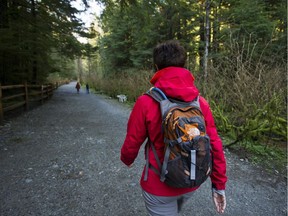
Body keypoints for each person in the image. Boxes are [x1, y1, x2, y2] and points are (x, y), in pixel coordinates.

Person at [120, 40, 227, 216]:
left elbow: (132, 141)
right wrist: (219, 186)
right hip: (192, 180)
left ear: (156, 67)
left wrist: (127, 159)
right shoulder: (201, 103)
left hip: (158, 186)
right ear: (184, 65)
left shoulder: (146, 102)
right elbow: (214, 145)